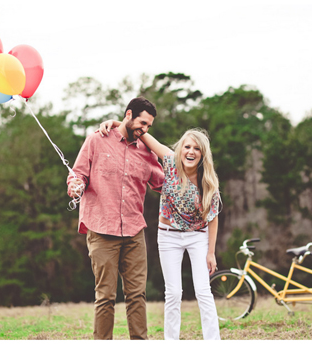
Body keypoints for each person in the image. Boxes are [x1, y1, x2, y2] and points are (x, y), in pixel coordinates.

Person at [99, 121, 222, 340]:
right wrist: (119, 123)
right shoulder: (170, 162)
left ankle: (213, 340)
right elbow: (144, 134)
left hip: (198, 237)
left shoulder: (208, 181)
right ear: (180, 149)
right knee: (173, 293)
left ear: (203, 155)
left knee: (203, 291)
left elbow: (212, 218)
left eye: (197, 149)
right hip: (169, 236)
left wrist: (211, 252)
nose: (191, 152)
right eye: (187, 147)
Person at [67, 97, 164, 340]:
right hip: (101, 229)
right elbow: (77, 174)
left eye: (149, 126)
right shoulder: (96, 140)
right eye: (142, 123)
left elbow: (162, 183)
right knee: (105, 296)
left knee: (137, 295)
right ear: (129, 114)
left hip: (134, 231)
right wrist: (76, 185)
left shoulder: (146, 151)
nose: (145, 129)